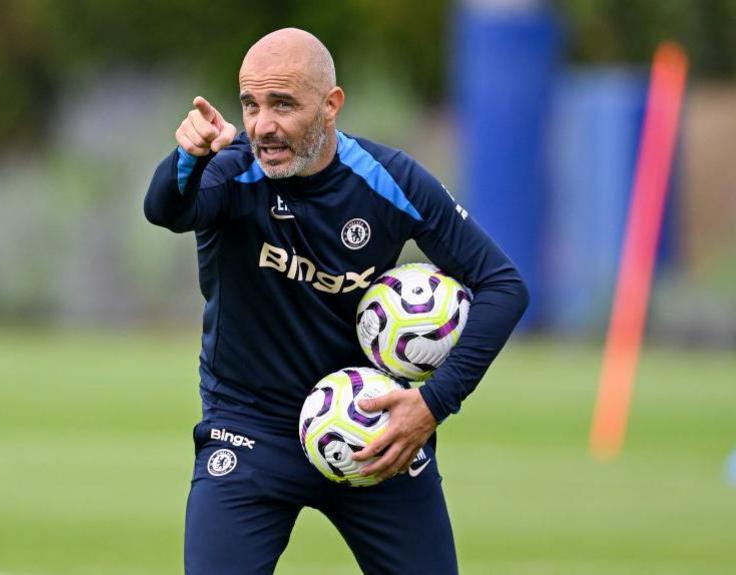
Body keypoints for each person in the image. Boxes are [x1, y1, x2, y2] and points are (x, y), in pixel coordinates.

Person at [144, 28, 528, 574]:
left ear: (331, 105)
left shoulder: (389, 180)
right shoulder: (232, 170)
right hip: (248, 428)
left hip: (374, 428)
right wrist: (186, 157)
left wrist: (431, 404)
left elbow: (503, 285)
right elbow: (166, 210)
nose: (262, 126)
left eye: (282, 104)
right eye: (251, 104)